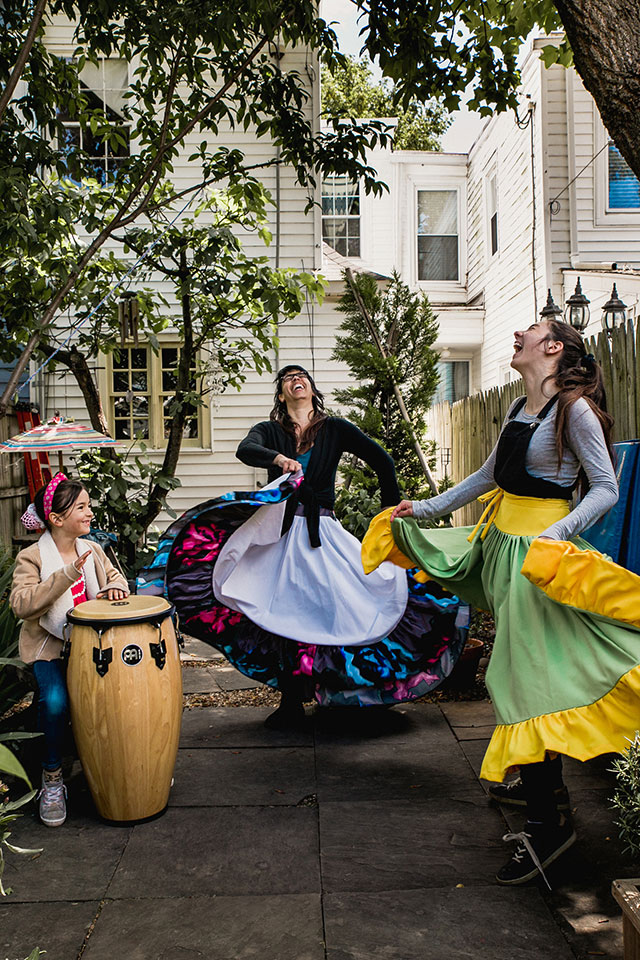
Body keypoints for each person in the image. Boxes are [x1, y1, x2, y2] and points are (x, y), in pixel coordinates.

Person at [362, 318, 640, 886]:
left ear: (554, 348)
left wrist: (556, 536)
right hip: (502, 548)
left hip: (538, 560)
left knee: (522, 681)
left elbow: (606, 487)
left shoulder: (574, 410)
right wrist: (429, 510)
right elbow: (490, 475)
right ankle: (545, 797)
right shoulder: (519, 407)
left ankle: (549, 825)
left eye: (530, 332)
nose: (519, 336)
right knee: (521, 676)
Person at [143, 365, 463, 728]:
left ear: (311, 389)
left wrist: (389, 514)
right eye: (288, 378)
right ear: (282, 394)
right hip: (278, 535)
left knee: (339, 607)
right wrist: (278, 459)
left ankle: (340, 690)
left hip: (321, 531)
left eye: (303, 376)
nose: (297, 380)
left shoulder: (335, 428)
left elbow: (382, 461)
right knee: (285, 614)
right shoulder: (271, 431)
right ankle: (292, 699)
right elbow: (246, 449)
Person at [10, 474, 128, 826]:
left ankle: (120, 770)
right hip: (52, 650)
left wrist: (114, 590)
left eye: (89, 505)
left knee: (119, 699)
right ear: (57, 519)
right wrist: (64, 574)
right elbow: (21, 603)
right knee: (57, 702)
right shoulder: (31, 557)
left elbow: (117, 578)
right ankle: (52, 779)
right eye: (82, 507)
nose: (90, 513)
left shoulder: (92, 550)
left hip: (93, 648)